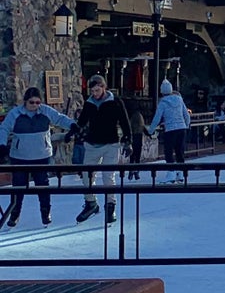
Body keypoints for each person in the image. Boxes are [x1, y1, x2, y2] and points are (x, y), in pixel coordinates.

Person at [0, 87, 77, 227]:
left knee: (42, 185)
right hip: (20, 156)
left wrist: (72, 125)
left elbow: (59, 118)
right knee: (18, 186)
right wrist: (2, 144)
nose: (35, 105)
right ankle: (15, 213)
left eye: (37, 102)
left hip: (41, 155)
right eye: (32, 102)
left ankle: (45, 211)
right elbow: (4, 128)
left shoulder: (45, 111)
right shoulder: (15, 114)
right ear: (25, 102)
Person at [74, 75, 132, 224]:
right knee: (87, 176)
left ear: (103, 87)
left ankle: (110, 206)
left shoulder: (115, 102)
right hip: (92, 144)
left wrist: (128, 140)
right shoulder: (89, 103)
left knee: (108, 177)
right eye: (92, 91)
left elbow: (125, 121)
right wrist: (74, 131)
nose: (95, 93)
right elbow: (82, 121)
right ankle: (91, 203)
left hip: (111, 144)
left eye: (97, 90)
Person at [147, 80, 191, 183]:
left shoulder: (163, 102)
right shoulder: (179, 99)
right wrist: (187, 125)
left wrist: (151, 130)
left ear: (162, 91)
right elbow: (186, 115)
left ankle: (171, 174)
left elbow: (157, 118)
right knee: (180, 151)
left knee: (169, 152)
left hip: (170, 129)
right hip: (181, 128)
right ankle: (181, 174)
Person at [124, 99, 146, 180]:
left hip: (133, 137)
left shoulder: (131, 116)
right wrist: (149, 134)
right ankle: (136, 171)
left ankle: (131, 171)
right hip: (138, 137)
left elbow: (129, 127)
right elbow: (143, 127)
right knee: (137, 156)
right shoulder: (140, 116)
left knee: (132, 157)